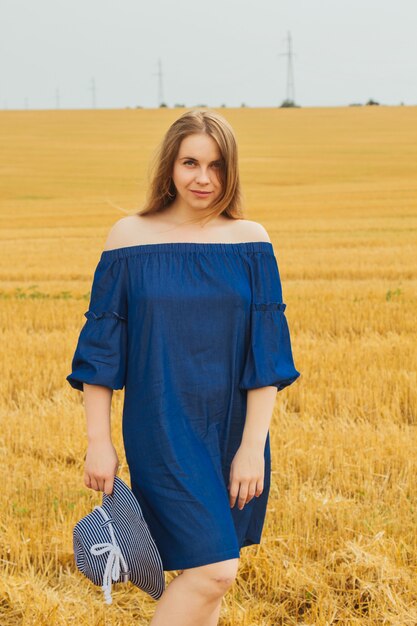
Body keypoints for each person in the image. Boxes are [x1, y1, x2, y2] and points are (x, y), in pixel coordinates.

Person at [66, 108, 301, 625]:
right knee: (215, 571)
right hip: (162, 428)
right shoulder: (129, 238)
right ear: (169, 167)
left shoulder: (252, 242)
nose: (203, 178)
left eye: (217, 166)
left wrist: (250, 450)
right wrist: (98, 442)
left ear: (231, 171)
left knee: (208, 580)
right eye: (190, 162)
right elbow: (101, 355)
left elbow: (266, 359)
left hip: (235, 431)